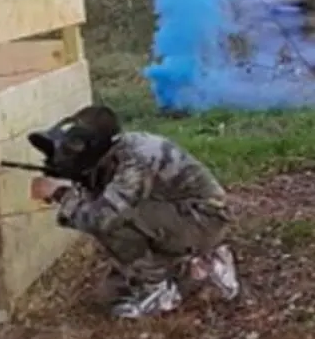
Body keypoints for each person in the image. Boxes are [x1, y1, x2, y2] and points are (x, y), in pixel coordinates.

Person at [27, 105, 241, 318]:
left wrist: (61, 194)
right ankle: (204, 267)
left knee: (118, 220)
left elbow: (103, 218)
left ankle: (158, 292)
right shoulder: (112, 153)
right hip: (176, 215)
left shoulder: (135, 160)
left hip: (204, 220)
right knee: (110, 294)